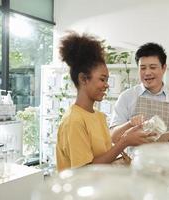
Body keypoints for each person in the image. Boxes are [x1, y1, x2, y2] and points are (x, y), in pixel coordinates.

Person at [56, 32, 154, 172]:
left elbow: (104, 157)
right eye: (102, 79)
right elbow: (85, 171)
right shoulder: (74, 121)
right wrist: (125, 142)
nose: (107, 85)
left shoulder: (98, 116)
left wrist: (128, 134)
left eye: (107, 80)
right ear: (84, 79)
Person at [110, 42, 169, 143]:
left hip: (168, 157)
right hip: (135, 158)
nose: (147, 73)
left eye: (152, 67)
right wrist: (130, 123)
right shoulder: (126, 97)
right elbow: (113, 137)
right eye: (142, 68)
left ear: (164, 68)